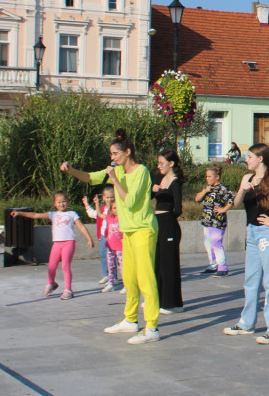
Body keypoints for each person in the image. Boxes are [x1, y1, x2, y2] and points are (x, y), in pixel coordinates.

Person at [60, 128, 161, 344]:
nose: (112, 158)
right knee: (130, 278)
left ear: (127, 152)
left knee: (146, 278)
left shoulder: (141, 171)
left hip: (143, 230)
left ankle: (152, 327)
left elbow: (130, 201)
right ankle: (131, 320)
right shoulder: (119, 171)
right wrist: (71, 170)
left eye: (115, 154)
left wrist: (114, 179)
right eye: (111, 155)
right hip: (129, 232)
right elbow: (89, 177)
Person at [222, 143, 269, 344]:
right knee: (251, 280)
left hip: (266, 233)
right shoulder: (246, 178)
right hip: (251, 232)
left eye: (249, 157)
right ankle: (247, 323)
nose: (246, 160)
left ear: (260, 158)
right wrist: (242, 190)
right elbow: (237, 204)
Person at [13, 191, 94, 299]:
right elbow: (36, 215)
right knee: (51, 266)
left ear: (68, 202)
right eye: (59, 202)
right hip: (57, 244)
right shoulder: (53, 214)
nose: (61, 204)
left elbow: (81, 226)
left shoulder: (72, 214)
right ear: (55, 203)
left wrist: (89, 239)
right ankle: (51, 283)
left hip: (69, 243)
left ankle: (68, 290)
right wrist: (20, 213)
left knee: (65, 266)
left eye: (64, 201)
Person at [152, 150, 185, 314]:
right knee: (157, 262)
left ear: (170, 164)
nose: (159, 166)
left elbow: (178, 208)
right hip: (157, 223)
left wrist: (163, 192)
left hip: (168, 223)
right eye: (158, 163)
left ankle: (171, 302)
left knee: (169, 263)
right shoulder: (158, 179)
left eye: (161, 163)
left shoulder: (175, 182)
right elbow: (149, 196)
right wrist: (154, 190)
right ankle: (157, 298)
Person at [195, 165, 235, 277]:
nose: (207, 178)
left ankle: (222, 267)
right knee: (208, 243)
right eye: (206, 177)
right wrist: (205, 191)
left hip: (217, 221)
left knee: (216, 243)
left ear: (217, 177)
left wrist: (223, 209)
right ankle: (213, 264)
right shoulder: (208, 188)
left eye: (209, 176)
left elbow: (232, 199)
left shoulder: (222, 189)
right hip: (207, 221)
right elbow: (197, 198)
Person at [82, 184, 116, 289]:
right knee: (103, 255)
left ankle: (113, 277)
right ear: (103, 198)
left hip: (114, 236)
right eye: (107, 197)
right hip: (104, 237)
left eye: (112, 197)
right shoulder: (101, 209)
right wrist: (86, 204)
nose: (109, 199)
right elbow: (92, 213)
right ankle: (105, 275)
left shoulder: (116, 209)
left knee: (113, 257)